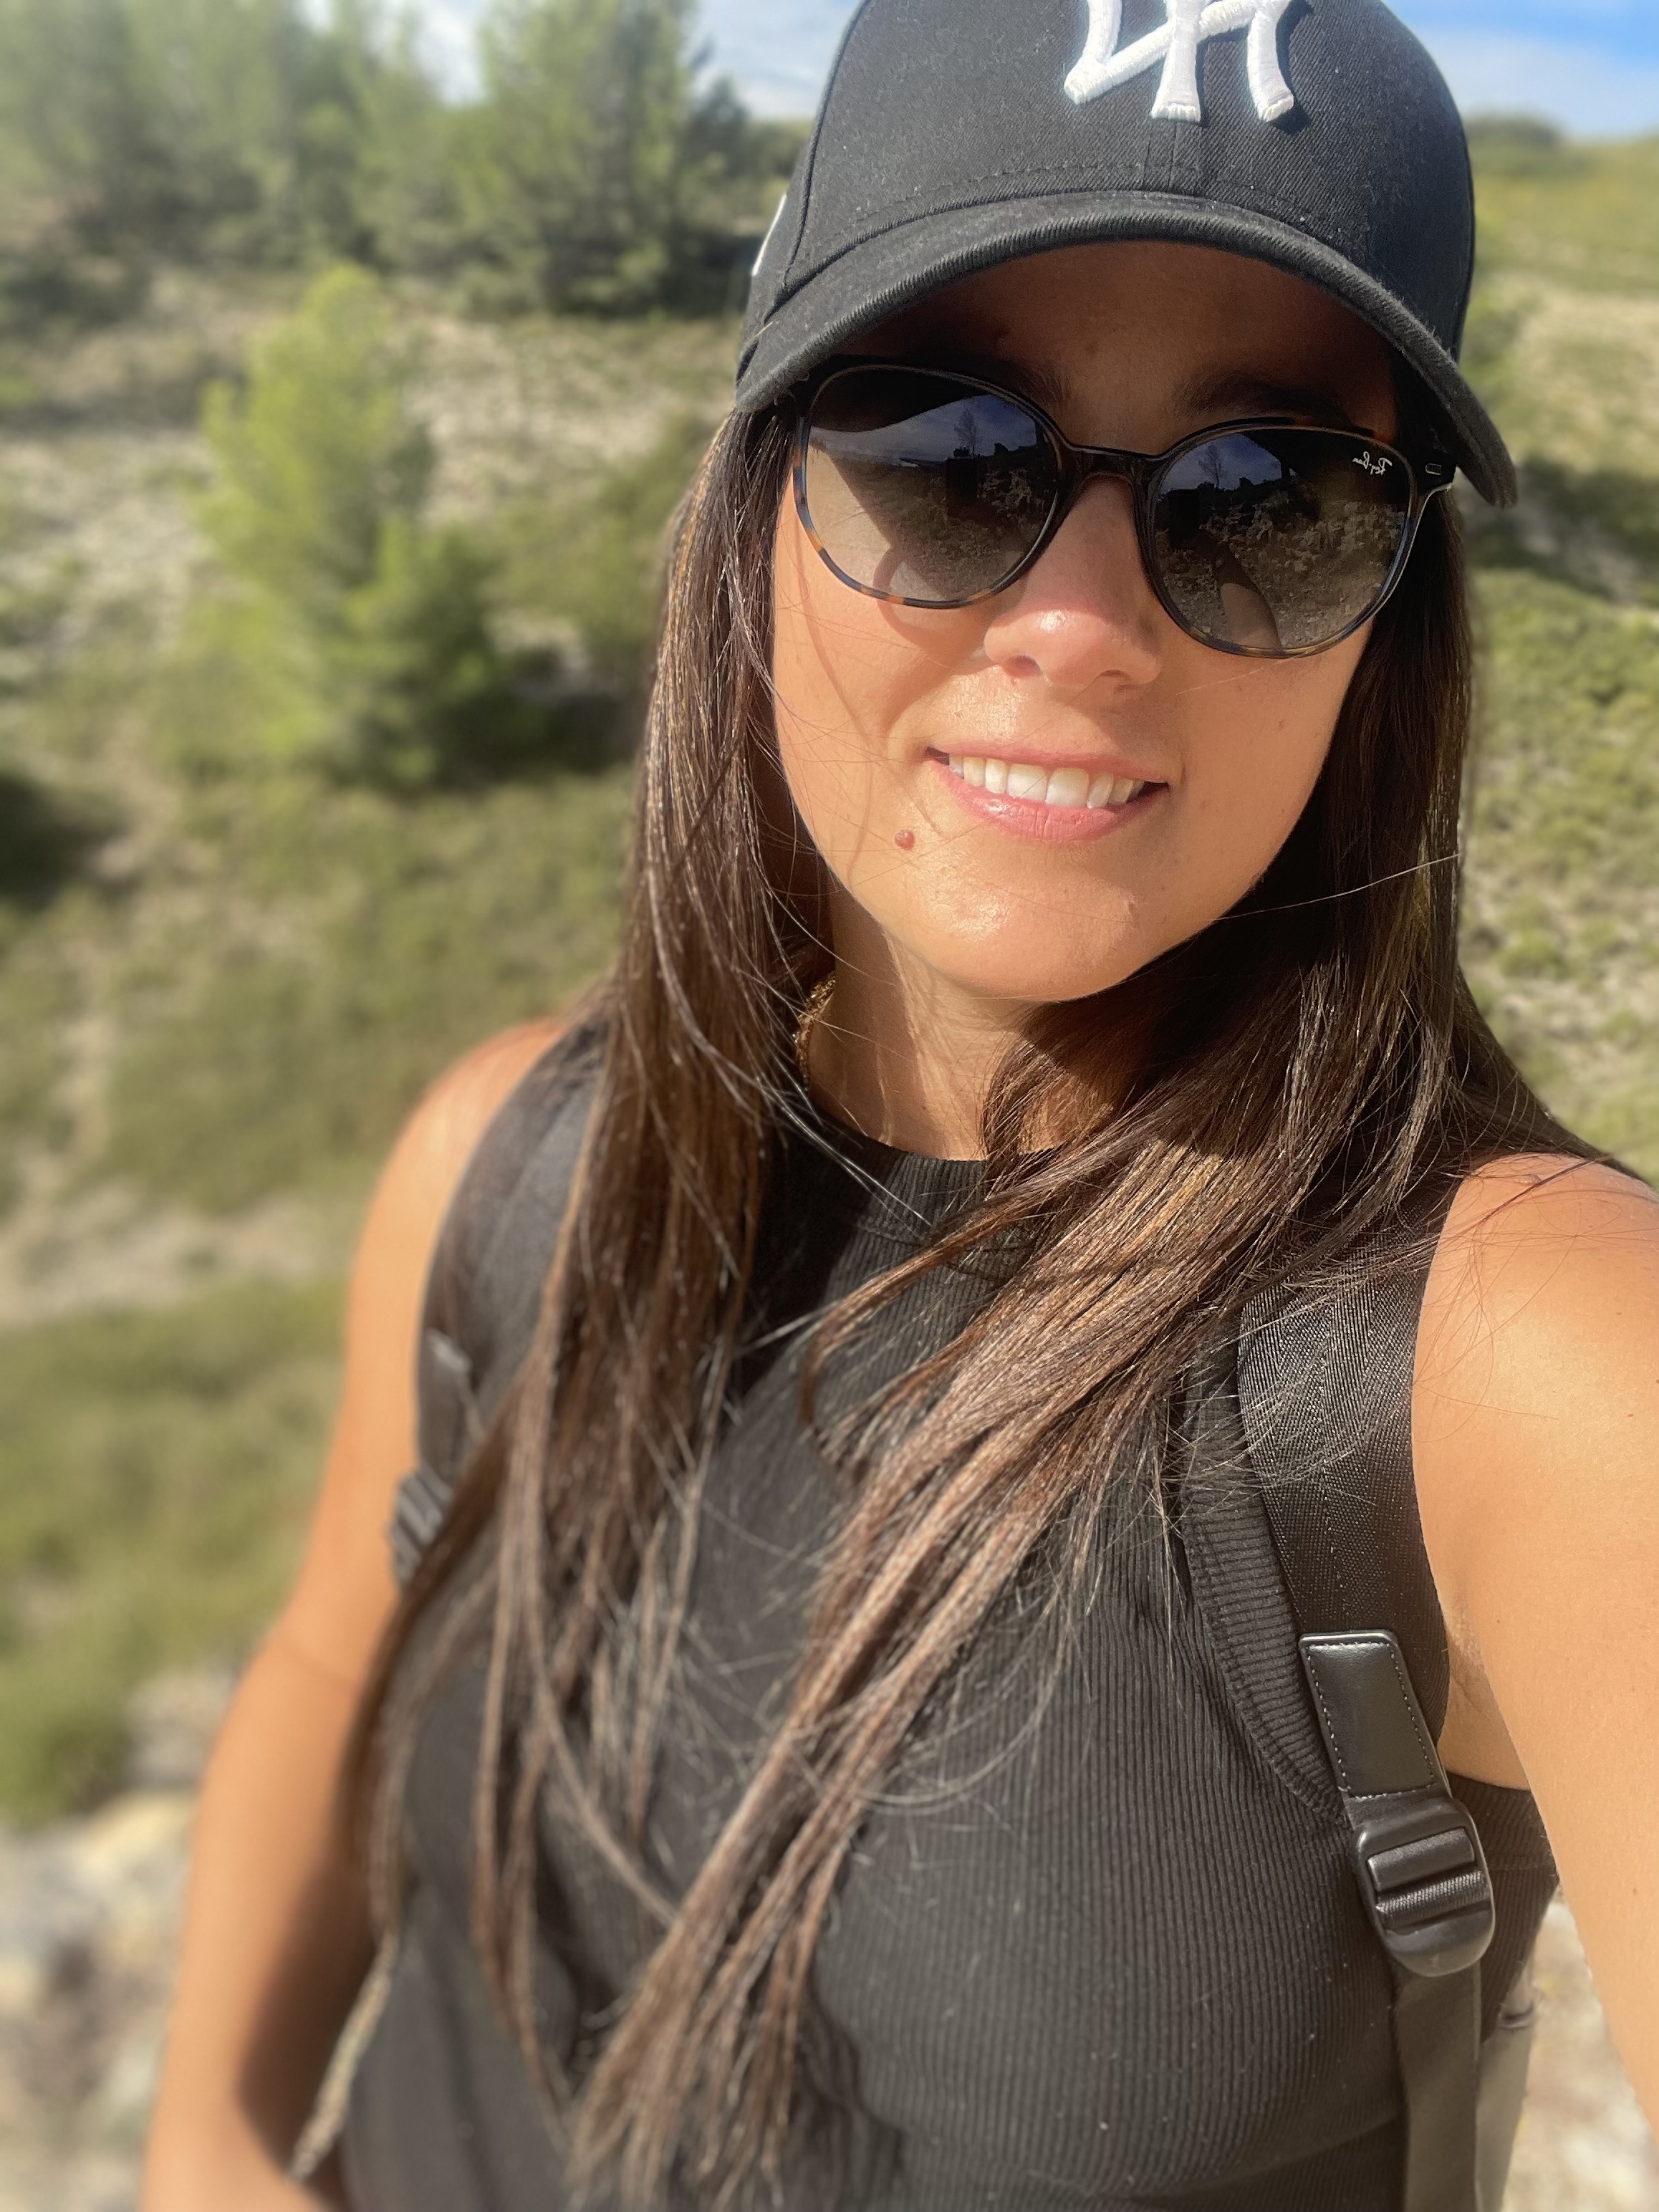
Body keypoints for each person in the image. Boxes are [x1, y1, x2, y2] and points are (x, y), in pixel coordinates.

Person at [141, 3, 1659, 2208]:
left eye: (1271, 501)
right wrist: (201, 2142)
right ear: (757, 497)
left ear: (1388, 621)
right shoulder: (508, 1163)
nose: (1079, 622)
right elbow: (322, 1667)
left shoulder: (1526, 1360)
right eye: (951, 449)